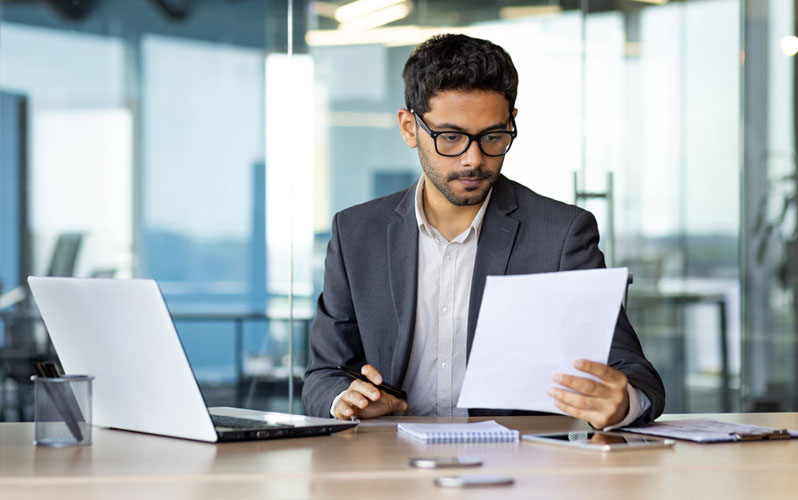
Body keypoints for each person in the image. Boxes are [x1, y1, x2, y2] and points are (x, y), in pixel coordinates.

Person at [302, 33, 665, 429]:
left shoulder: (561, 233)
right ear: (410, 128)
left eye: (493, 137)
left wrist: (621, 401)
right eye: (451, 138)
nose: (473, 160)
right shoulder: (357, 232)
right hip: (388, 462)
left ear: (511, 123)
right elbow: (324, 375)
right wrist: (347, 399)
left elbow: (635, 372)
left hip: (518, 467)